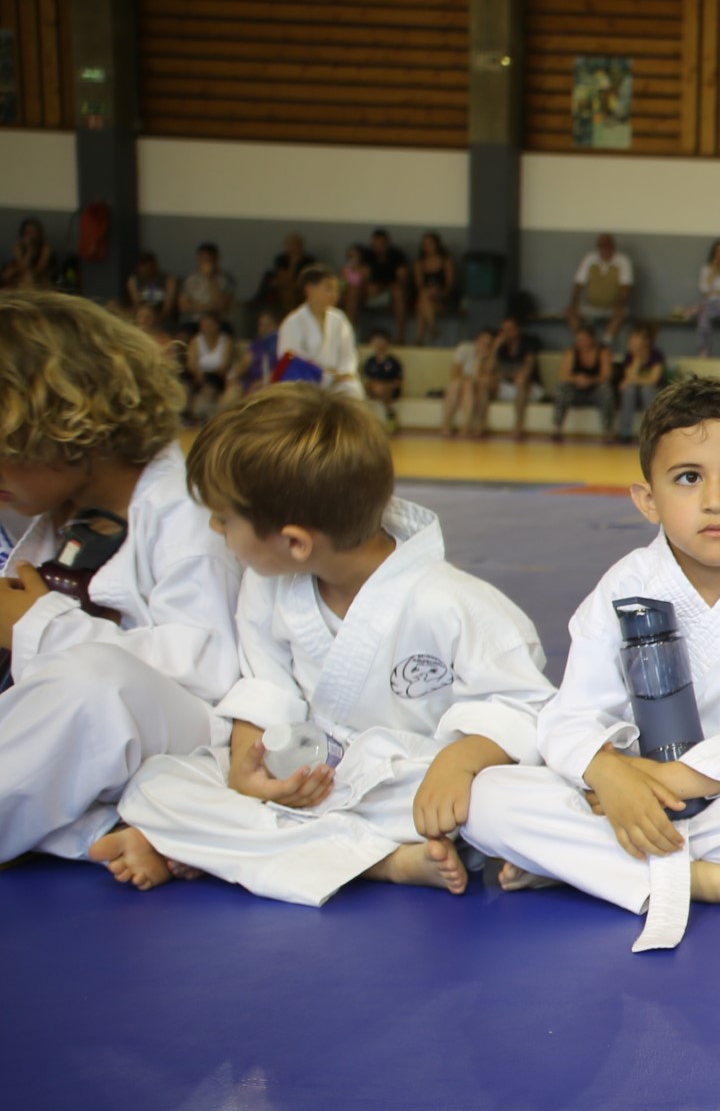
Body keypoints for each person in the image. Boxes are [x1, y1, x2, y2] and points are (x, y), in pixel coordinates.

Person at [102, 387, 552, 901]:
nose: (213, 527)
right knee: (159, 784)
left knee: (503, 800)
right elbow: (266, 687)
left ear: (295, 542)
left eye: (224, 519)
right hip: (310, 784)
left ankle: (222, 846)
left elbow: (527, 706)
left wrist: (463, 760)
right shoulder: (266, 586)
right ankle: (385, 863)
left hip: (411, 788)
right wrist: (249, 769)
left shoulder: (452, 601)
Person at [462, 378, 720, 947]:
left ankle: (588, 868)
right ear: (648, 500)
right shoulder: (625, 584)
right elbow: (570, 718)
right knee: (490, 799)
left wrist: (676, 778)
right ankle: (710, 880)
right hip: (625, 801)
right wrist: (610, 774)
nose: (716, 499)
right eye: (689, 477)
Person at [0, 292, 243, 870]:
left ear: (69, 428)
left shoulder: (188, 517)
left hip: (185, 737)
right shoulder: (57, 511)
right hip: (80, 753)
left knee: (94, 685)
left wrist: (38, 626)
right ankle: (112, 831)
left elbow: (210, 677)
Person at [276, 264, 360, 399]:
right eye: (329, 288)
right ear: (310, 289)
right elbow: (291, 360)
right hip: (305, 382)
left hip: (337, 380)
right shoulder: (293, 322)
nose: (334, 294)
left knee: (351, 389)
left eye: (336, 289)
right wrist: (325, 375)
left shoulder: (339, 319)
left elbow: (348, 353)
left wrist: (344, 373)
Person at [568, 233, 633, 345]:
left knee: (621, 312)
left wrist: (620, 304)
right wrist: (573, 303)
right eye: (601, 245)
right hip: (592, 306)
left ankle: (605, 342)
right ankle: (582, 340)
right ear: (598, 247)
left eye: (607, 244)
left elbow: (625, 287)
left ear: (613, 246)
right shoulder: (589, 259)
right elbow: (578, 283)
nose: (605, 248)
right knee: (570, 312)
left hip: (613, 307)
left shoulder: (623, 260)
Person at [552, 322, 612, 441]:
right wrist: (577, 379)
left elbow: (607, 375)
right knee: (562, 387)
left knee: (606, 389)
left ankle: (607, 429)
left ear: (592, 339)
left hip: (595, 391)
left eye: (584, 339)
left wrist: (591, 380)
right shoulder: (571, 352)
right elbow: (563, 375)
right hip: (576, 391)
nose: (581, 342)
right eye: (579, 339)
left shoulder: (602, 351)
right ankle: (557, 427)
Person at [616, 321, 667, 443]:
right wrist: (637, 359)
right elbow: (629, 378)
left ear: (645, 341)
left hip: (655, 391)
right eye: (631, 337)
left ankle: (652, 430)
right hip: (636, 392)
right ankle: (625, 431)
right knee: (629, 390)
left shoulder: (656, 355)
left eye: (635, 338)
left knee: (646, 390)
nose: (631, 340)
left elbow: (653, 380)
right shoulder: (629, 357)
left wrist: (632, 381)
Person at [493, 314, 545, 436]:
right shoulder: (501, 347)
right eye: (504, 330)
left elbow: (527, 369)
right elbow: (492, 370)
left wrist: (506, 374)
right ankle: (476, 425)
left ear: (518, 330)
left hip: (531, 389)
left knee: (521, 380)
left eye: (510, 329)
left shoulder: (527, 344)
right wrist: (495, 347)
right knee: (484, 382)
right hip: (509, 387)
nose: (506, 333)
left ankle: (518, 425)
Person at [357, 229, 413, 338]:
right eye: (376, 243)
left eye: (382, 243)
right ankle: (353, 333)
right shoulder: (367, 255)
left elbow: (402, 280)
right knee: (353, 292)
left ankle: (400, 335)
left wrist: (382, 287)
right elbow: (364, 277)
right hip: (370, 293)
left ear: (388, 242)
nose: (379, 246)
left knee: (398, 292)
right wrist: (369, 287)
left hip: (391, 293)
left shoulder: (397, 255)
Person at [445, 327, 496, 438]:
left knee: (471, 386)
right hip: (461, 384)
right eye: (483, 342)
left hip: (476, 387)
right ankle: (447, 424)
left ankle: (466, 426)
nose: (484, 346)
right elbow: (456, 374)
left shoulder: (490, 356)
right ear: (477, 339)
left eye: (488, 344)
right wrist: (470, 379)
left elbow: (483, 379)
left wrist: (480, 360)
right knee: (456, 385)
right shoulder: (464, 348)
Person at [410, 231, 458, 343]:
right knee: (423, 297)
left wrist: (439, 292)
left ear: (437, 244)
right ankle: (432, 328)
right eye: (424, 244)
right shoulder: (419, 263)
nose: (427, 247)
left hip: (443, 297)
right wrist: (429, 291)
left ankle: (420, 337)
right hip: (427, 296)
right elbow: (419, 285)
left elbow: (450, 285)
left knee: (422, 302)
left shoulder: (446, 261)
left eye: (430, 243)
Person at [181, 244, 239, 335]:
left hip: (218, 322)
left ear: (216, 259)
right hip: (195, 321)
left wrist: (210, 278)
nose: (204, 263)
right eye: (201, 260)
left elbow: (222, 306)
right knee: (182, 336)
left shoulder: (226, 279)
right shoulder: (190, 279)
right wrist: (210, 306)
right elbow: (184, 307)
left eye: (208, 260)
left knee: (225, 334)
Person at [186, 312, 232, 423]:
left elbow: (225, 365)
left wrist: (208, 374)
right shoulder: (195, 341)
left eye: (210, 325)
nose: (206, 328)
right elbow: (191, 364)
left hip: (218, 377)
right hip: (198, 376)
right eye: (204, 325)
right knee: (186, 383)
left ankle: (207, 415)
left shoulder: (226, 341)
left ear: (217, 326)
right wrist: (198, 373)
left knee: (209, 385)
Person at [260, 232, 316, 320]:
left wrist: (294, 264)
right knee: (286, 288)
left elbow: (305, 278)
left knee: (291, 289)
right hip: (284, 287)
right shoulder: (281, 259)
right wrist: (293, 264)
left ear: (300, 245)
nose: (291, 247)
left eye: (294, 244)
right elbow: (283, 276)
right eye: (289, 244)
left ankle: (289, 314)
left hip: (300, 288)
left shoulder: (308, 260)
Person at [359, 329, 405, 425]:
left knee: (380, 388)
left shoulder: (393, 362)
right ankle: (389, 414)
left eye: (381, 340)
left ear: (387, 343)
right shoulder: (370, 362)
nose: (378, 343)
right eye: (376, 340)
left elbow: (398, 382)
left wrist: (384, 386)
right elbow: (366, 379)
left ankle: (389, 415)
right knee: (373, 387)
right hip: (373, 389)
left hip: (390, 390)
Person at [2, 217, 60, 290]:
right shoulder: (18, 247)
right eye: (27, 232)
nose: (30, 235)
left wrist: (27, 272)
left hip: (43, 274)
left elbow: (39, 269)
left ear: (39, 233)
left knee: (28, 277)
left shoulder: (46, 247)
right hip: (24, 272)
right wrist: (29, 251)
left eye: (33, 232)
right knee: (8, 273)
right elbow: (22, 267)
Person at [127, 251, 173, 328]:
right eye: (141, 266)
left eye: (147, 266)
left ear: (154, 265)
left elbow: (168, 307)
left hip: (161, 318)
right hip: (142, 316)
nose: (144, 269)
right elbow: (137, 304)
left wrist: (157, 320)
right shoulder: (133, 281)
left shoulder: (168, 280)